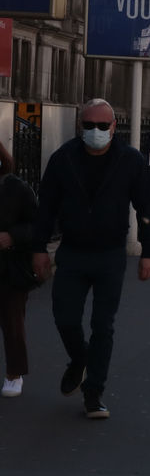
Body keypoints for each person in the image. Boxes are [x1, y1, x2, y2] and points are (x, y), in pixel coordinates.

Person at [31, 99, 150, 418]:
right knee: (65, 318)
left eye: (103, 126)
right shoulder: (64, 158)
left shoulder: (130, 160)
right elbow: (46, 206)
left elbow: (147, 208)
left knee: (103, 325)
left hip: (110, 255)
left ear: (114, 127)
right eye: (89, 125)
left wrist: (149, 253)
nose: (96, 131)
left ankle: (94, 392)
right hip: (73, 253)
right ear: (80, 126)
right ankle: (80, 359)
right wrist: (38, 248)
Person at [0, 140, 39, 397]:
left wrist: (12, 236)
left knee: (12, 322)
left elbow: (38, 225)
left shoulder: (16, 188)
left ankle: (14, 373)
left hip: (8, 268)